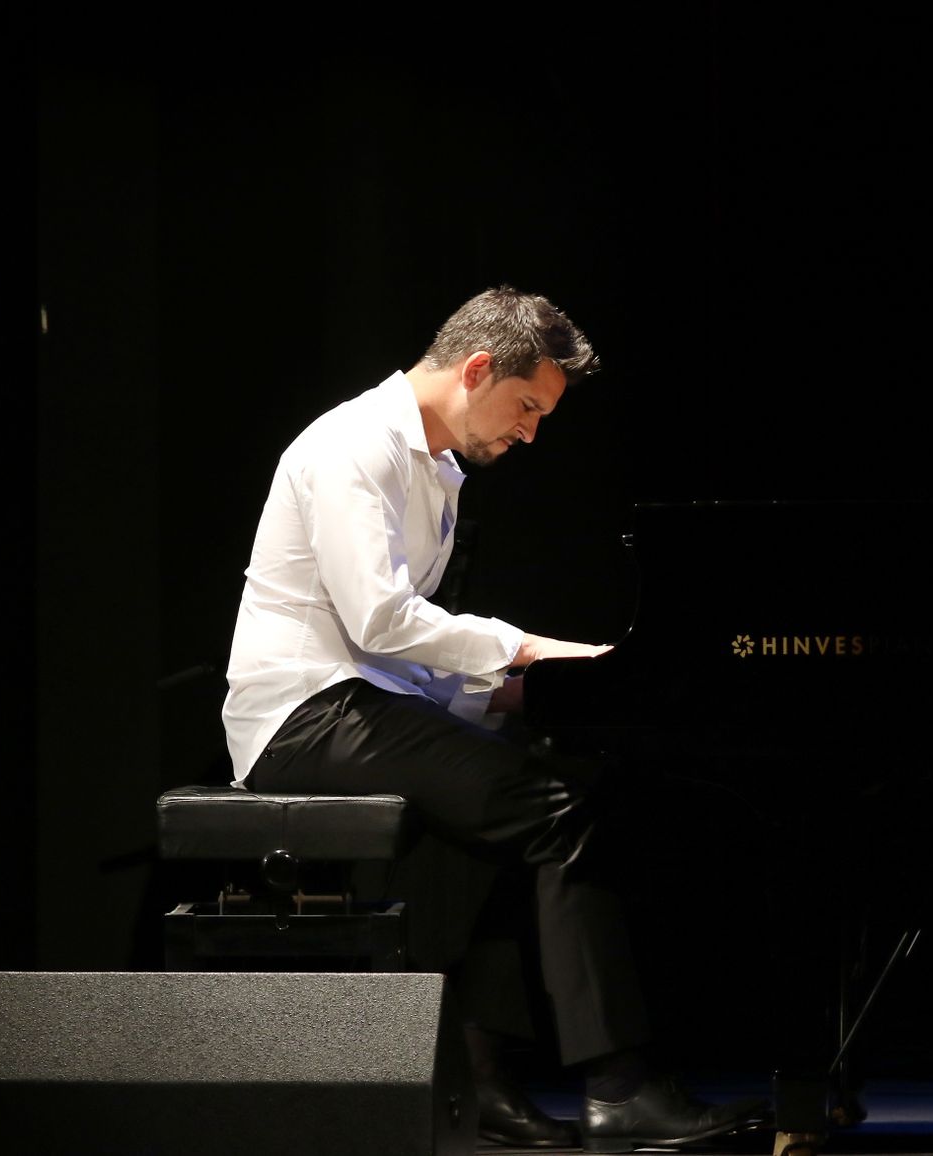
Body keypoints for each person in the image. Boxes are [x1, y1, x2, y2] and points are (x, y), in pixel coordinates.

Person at [220, 285, 766, 1152]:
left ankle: (486, 1083)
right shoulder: (353, 445)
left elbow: (402, 654)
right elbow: (380, 621)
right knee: (557, 812)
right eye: (526, 407)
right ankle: (619, 1090)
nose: (531, 432)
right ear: (477, 370)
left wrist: (518, 694)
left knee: (556, 787)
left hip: (364, 704)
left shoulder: (435, 469)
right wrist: (531, 651)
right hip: (299, 717)